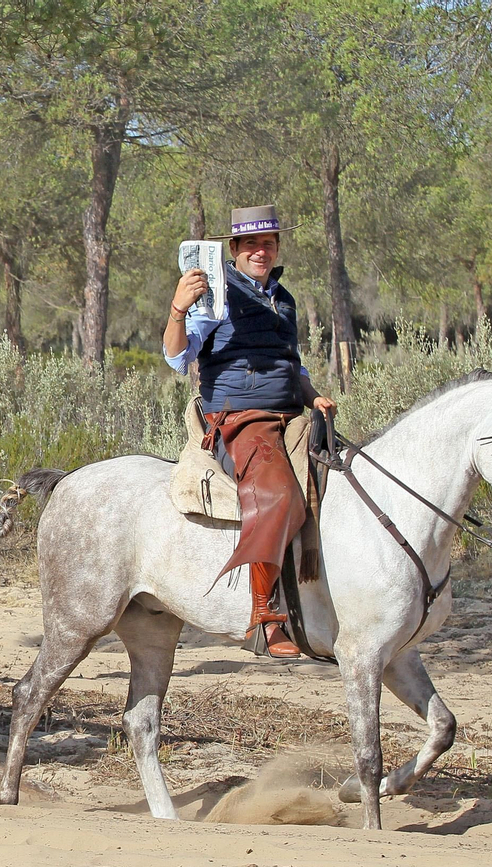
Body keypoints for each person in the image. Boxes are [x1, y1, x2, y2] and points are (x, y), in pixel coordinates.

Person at [162, 205, 337, 659]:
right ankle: (263, 615)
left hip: (292, 414)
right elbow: (178, 359)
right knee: (278, 495)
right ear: (234, 250)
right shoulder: (213, 297)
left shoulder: (284, 297)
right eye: (252, 244)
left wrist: (312, 394)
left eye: (269, 243)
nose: (262, 251)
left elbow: (291, 363)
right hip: (241, 420)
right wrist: (178, 310)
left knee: (342, 477)